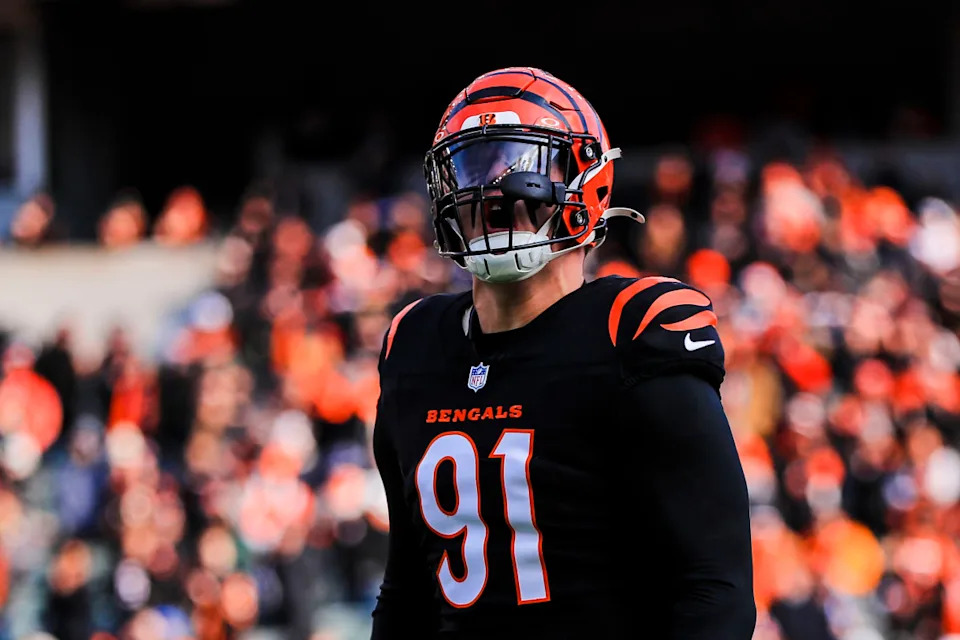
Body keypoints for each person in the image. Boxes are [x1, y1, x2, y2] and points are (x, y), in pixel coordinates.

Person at [370, 66, 756, 639]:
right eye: (471, 169)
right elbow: (407, 591)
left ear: (587, 184)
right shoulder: (414, 346)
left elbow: (714, 586)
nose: (490, 194)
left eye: (518, 167)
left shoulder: (632, 332)